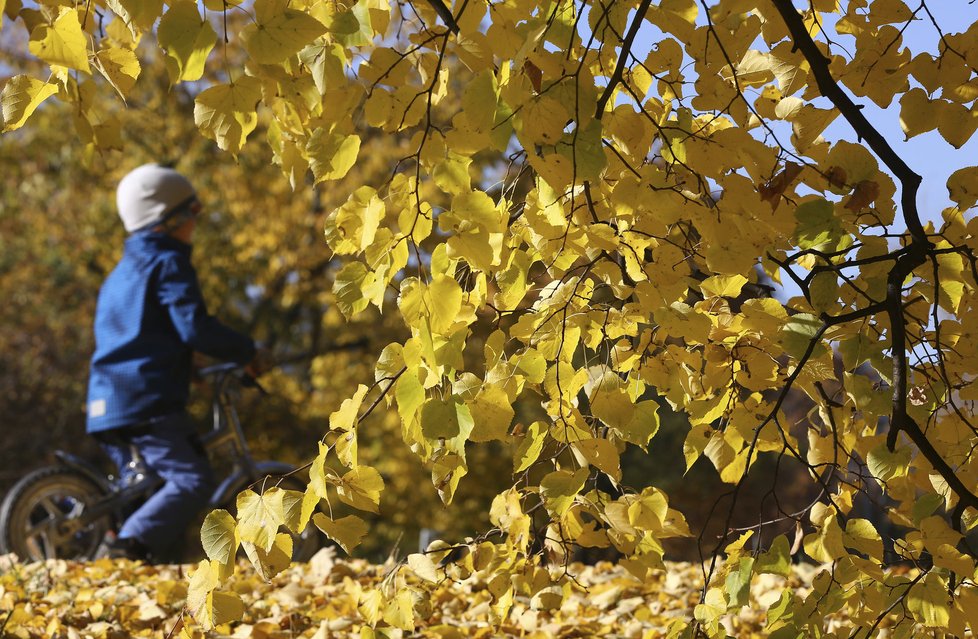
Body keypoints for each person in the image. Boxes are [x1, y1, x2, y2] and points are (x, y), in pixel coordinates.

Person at [86, 163, 266, 561]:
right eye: (194, 211)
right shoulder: (168, 262)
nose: (197, 222)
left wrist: (194, 370)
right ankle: (122, 548)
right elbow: (194, 327)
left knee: (143, 489)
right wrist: (246, 350)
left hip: (107, 401)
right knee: (192, 478)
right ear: (167, 220)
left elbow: (139, 338)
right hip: (147, 398)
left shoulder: (119, 274)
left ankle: (115, 548)